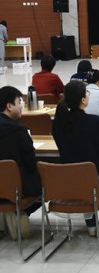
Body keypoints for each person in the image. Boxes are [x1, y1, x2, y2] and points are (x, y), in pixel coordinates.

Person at [52, 80, 99, 238]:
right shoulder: (96, 122)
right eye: (87, 93)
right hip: (94, 179)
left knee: (85, 184)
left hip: (68, 180)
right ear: (83, 100)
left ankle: (91, 225)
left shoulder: (58, 124)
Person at [0, 86, 41, 240]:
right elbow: (31, 163)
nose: (22, 106)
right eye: (19, 102)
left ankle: (11, 212)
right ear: (9, 106)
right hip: (19, 189)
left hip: (3, 186)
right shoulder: (19, 130)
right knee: (45, 184)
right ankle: (18, 211)